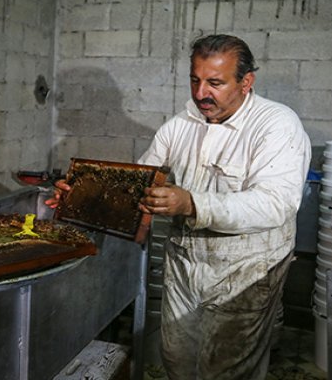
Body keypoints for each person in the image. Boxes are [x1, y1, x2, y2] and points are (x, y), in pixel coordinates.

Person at [47, 34, 310, 379]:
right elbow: (138, 187)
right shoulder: (180, 125)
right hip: (185, 266)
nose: (201, 93)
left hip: (246, 270)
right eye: (195, 80)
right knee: (177, 360)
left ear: (246, 82)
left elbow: (277, 203)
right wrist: (84, 196)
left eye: (215, 83)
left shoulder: (276, 125)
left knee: (225, 369)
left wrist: (191, 203)